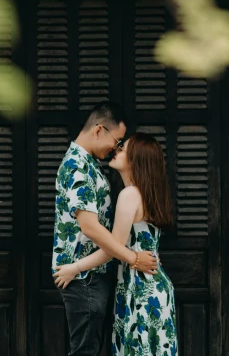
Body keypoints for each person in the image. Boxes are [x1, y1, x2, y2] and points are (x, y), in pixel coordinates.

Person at [54, 133, 179, 356]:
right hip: (155, 286)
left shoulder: (129, 195)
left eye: (123, 149)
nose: (116, 150)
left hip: (141, 288)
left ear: (135, 160)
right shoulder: (146, 193)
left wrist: (75, 268)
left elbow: (114, 248)